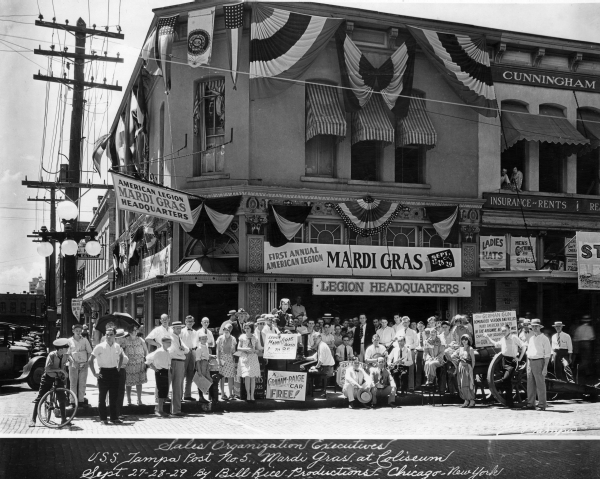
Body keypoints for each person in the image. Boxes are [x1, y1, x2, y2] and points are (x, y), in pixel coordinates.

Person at [89, 327, 126, 425]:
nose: (108, 337)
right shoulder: (99, 347)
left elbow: (121, 356)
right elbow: (90, 360)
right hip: (103, 373)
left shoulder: (117, 346)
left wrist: (118, 368)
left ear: (114, 336)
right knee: (102, 397)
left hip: (114, 372)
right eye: (107, 334)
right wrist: (94, 373)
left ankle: (114, 418)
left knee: (114, 397)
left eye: (111, 334)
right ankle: (103, 419)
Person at [30, 338, 70, 428]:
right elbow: (47, 369)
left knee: (62, 398)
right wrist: (60, 370)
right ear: (60, 349)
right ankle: (33, 419)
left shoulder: (65, 355)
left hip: (58, 378)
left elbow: (65, 364)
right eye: (66, 348)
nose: (67, 349)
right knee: (40, 398)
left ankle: (64, 419)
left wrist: (64, 373)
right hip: (48, 377)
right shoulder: (51, 355)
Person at [484, 324, 525, 408]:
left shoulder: (514, 337)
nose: (503, 332)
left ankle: (504, 397)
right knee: (508, 382)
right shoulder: (503, 339)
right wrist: (487, 337)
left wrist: (519, 358)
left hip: (512, 361)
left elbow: (523, 346)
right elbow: (496, 344)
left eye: (505, 330)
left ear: (509, 330)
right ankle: (509, 403)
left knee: (506, 379)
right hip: (503, 361)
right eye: (502, 331)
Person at [523, 318, 552, 411]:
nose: (534, 328)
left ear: (540, 327)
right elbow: (529, 351)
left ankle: (542, 404)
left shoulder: (544, 338)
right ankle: (531, 403)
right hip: (530, 361)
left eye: (536, 326)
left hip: (539, 361)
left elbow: (547, 354)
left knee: (540, 384)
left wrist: (545, 367)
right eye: (533, 326)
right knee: (530, 384)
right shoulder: (531, 338)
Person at [67, 323, 93, 407]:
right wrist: (73, 362)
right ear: (73, 331)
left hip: (83, 364)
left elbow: (89, 352)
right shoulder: (69, 341)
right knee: (73, 383)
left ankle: (81, 401)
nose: (78, 332)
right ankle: (72, 401)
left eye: (79, 331)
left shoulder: (85, 340)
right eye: (76, 331)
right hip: (73, 364)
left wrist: (87, 363)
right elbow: (67, 354)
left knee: (82, 383)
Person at [145, 336, 172, 417]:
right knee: (161, 390)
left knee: (164, 390)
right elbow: (148, 360)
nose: (169, 344)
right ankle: (159, 410)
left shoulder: (167, 351)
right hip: (160, 371)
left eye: (170, 342)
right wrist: (155, 369)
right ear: (163, 343)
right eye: (167, 342)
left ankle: (161, 409)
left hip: (166, 371)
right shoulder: (159, 351)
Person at [303, 331, 335, 398]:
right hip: (326, 367)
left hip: (327, 369)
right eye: (313, 339)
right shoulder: (320, 345)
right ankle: (311, 390)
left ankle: (308, 392)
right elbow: (314, 357)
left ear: (320, 337)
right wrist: (304, 358)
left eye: (316, 338)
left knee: (308, 373)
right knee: (310, 369)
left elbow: (321, 360)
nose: (314, 340)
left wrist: (316, 367)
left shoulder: (322, 346)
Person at [122, 324, 148, 406]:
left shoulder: (140, 340)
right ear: (130, 331)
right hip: (129, 364)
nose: (136, 332)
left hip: (139, 363)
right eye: (134, 330)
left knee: (139, 382)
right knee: (128, 383)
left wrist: (146, 362)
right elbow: (121, 351)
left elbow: (146, 351)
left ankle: (139, 400)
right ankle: (129, 400)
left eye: (136, 330)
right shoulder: (125, 340)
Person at [167, 321, 188, 415]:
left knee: (178, 386)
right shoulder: (172, 338)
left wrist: (182, 350)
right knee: (175, 386)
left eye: (180, 328)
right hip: (175, 361)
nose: (179, 330)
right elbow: (175, 351)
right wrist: (182, 351)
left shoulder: (179, 338)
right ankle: (175, 410)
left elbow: (187, 349)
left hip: (180, 361)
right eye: (177, 328)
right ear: (173, 329)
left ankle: (175, 409)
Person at [237, 322, 261, 402]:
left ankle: (252, 394)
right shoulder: (242, 337)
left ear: (251, 329)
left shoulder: (255, 338)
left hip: (253, 358)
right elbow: (238, 348)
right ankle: (247, 394)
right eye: (245, 328)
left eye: (248, 328)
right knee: (247, 375)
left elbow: (258, 350)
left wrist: (254, 351)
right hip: (245, 358)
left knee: (252, 377)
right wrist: (246, 349)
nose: (246, 330)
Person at [451, 334, 476, 407]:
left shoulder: (470, 349)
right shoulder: (460, 349)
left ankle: (472, 400)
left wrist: (471, 370)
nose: (464, 341)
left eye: (466, 339)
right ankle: (466, 400)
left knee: (468, 384)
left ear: (469, 340)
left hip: (467, 368)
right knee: (461, 384)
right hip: (460, 367)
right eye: (462, 339)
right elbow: (452, 356)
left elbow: (473, 361)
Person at [394, 316, 418, 391]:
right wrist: (400, 347)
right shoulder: (399, 332)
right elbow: (394, 342)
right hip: (400, 351)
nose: (405, 323)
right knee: (399, 369)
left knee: (410, 369)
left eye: (407, 322)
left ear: (409, 323)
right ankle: (400, 387)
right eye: (404, 322)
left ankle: (410, 387)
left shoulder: (413, 332)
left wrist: (407, 347)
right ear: (402, 323)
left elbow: (416, 344)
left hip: (410, 351)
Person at [216, 323, 237, 400]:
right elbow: (218, 350)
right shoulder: (220, 338)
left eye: (228, 329)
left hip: (230, 358)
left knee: (231, 376)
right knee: (222, 377)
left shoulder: (233, 339)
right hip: (222, 358)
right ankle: (222, 394)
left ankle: (231, 394)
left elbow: (234, 350)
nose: (226, 331)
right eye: (225, 329)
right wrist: (218, 360)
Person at [180, 315, 198, 402]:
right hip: (184, 353)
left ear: (193, 322)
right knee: (182, 374)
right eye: (188, 321)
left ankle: (187, 395)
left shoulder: (195, 332)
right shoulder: (182, 331)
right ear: (185, 322)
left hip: (193, 352)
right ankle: (179, 395)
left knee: (190, 374)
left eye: (191, 321)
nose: (190, 323)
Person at [114, 329, 130, 419]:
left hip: (122, 370)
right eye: (123, 337)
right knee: (118, 392)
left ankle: (118, 411)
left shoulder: (120, 347)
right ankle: (117, 412)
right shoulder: (116, 347)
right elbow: (124, 360)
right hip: (118, 370)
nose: (124, 339)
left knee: (120, 392)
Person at [574, 315, 595, 381]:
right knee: (587, 358)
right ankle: (578, 370)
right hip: (587, 343)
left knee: (583, 358)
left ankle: (587, 372)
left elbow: (575, 338)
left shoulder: (579, 328)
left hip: (580, 343)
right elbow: (592, 337)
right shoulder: (590, 328)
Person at [194, 333, 214, 402]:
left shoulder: (206, 346)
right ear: (199, 340)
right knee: (201, 380)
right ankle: (201, 397)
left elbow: (206, 354)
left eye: (205, 339)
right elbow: (197, 360)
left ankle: (210, 396)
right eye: (202, 339)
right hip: (201, 363)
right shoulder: (199, 348)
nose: (204, 340)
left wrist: (211, 356)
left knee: (208, 379)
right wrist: (199, 370)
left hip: (206, 363)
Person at [414, 321, 427, 389]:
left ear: (424, 326)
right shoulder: (416, 334)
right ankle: (418, 385)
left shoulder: (427, 334)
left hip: (425, 352)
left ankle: (425, 384)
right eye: (418, 327)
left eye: (421, 326)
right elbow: (416, 344)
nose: (420, 328)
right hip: (418, 352)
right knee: (418, 369)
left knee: (425, 368)